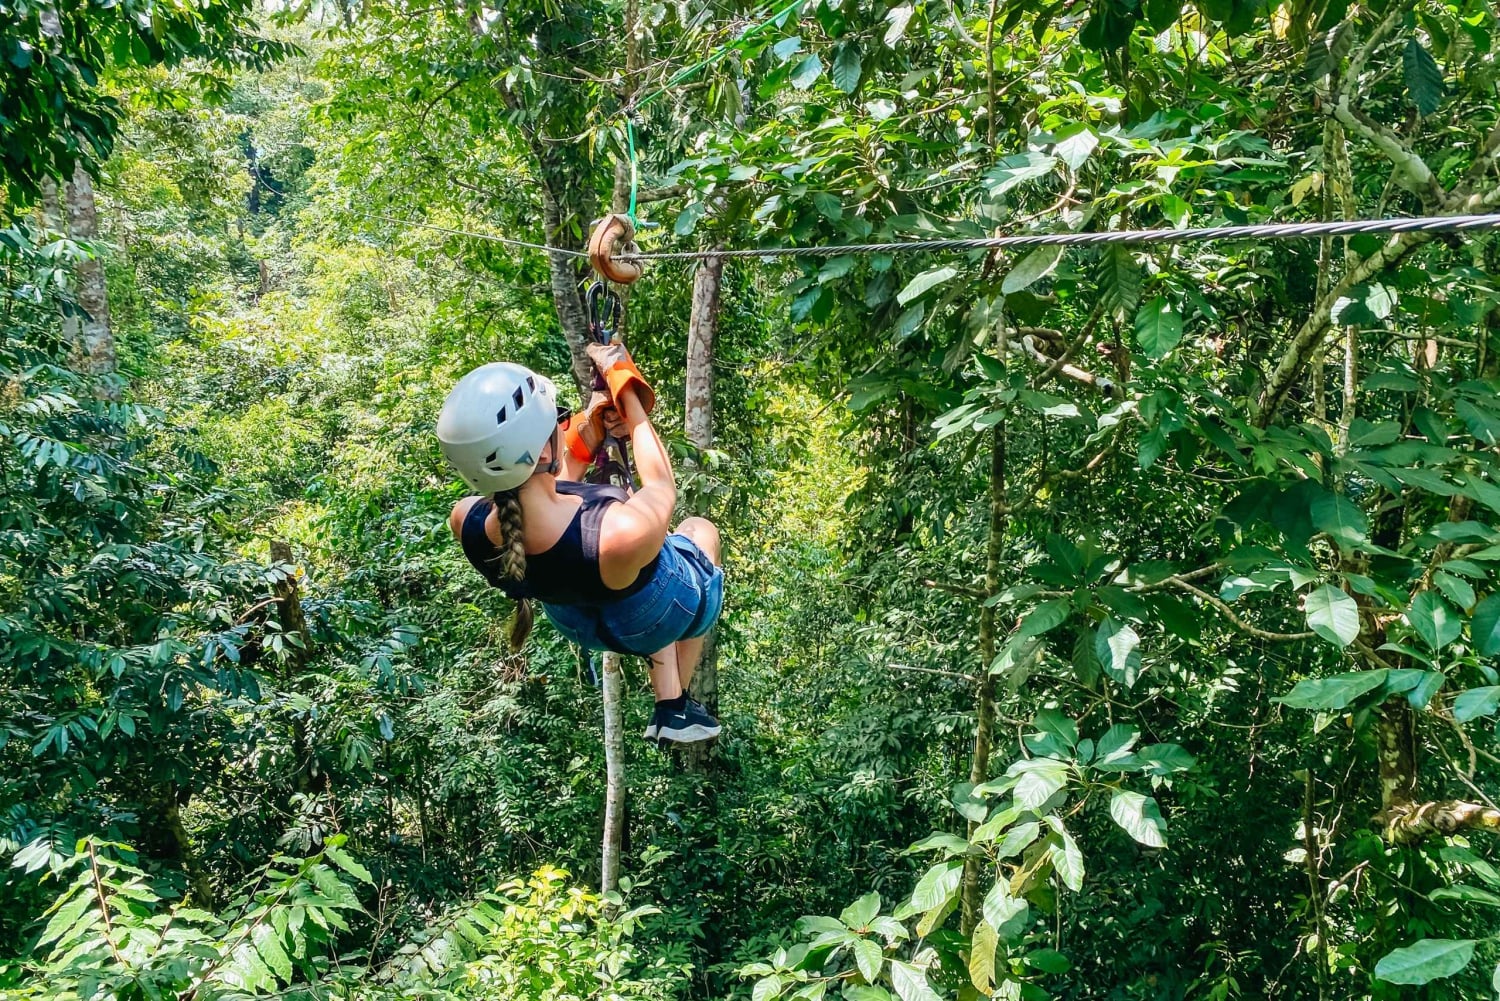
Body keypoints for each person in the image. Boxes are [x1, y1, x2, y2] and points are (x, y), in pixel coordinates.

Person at [436, 345, 724, 745]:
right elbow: (660, 487)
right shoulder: (616, 534)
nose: (563, 425)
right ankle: (673, 705)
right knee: (698, 531)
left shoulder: (465, 521)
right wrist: (629, 397)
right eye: (558, 421)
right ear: (540, 449)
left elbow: (543, 499)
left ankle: (672, 699)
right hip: (654, 618)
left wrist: (589, 435)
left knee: (642, 560)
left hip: (577, 622)